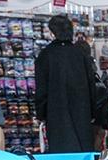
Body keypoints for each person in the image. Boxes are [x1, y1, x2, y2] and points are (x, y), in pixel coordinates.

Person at [34, 15, 99, 153]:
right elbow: (91, 85)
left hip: (56, 113)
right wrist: (93, 112)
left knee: (61, 153)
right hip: (82, 112)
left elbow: (41, 89)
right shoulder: (81, 54)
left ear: (52, 33)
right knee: (83, 152)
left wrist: (41, 114)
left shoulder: (45, 55)